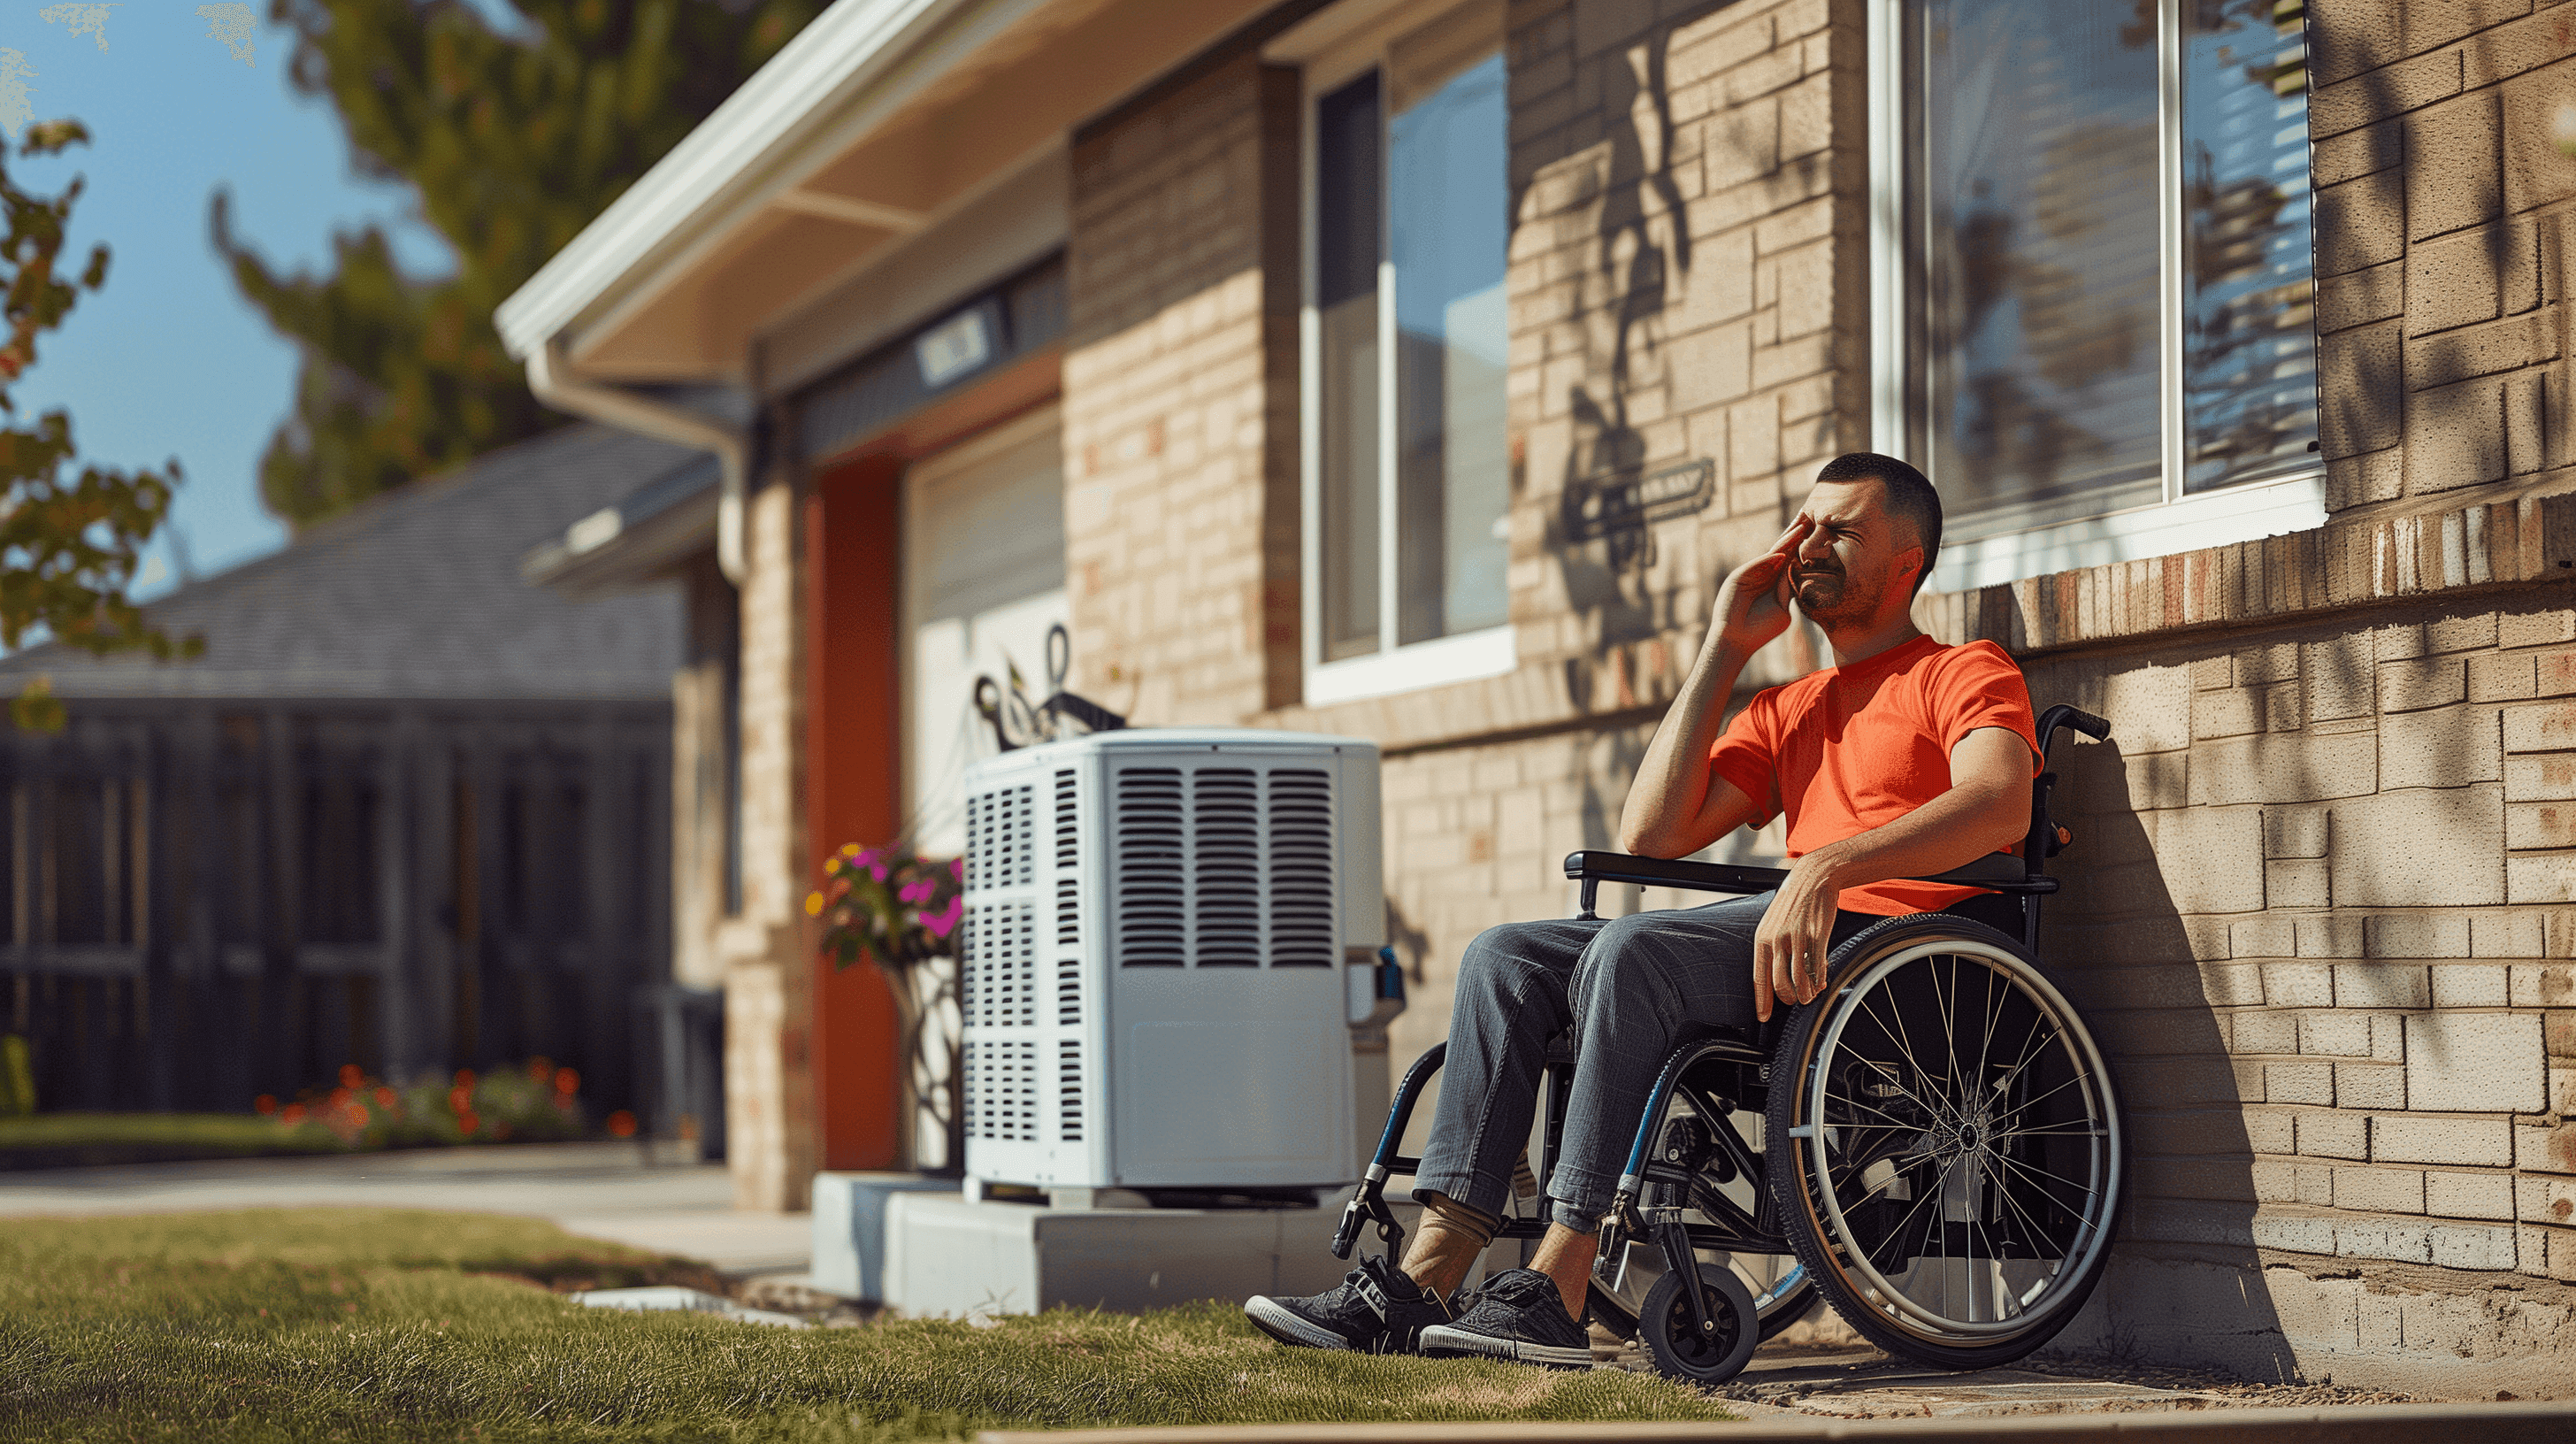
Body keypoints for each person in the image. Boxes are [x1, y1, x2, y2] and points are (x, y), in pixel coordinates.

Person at [1243, 451, 2044, 1367]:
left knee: (1630, 950)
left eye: (1839, 529)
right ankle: (1421, 1277)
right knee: (1504, 954)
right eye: (1802, 524)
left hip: (1898, 953)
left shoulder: (1959, 670)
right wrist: (1722, 645)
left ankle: (1559, 1282)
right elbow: (1653, 830)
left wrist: (1827, 866)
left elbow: (1999, 802)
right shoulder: (1791, 706)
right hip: (1789, 945)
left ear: (1907, 559)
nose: (1805, 544)